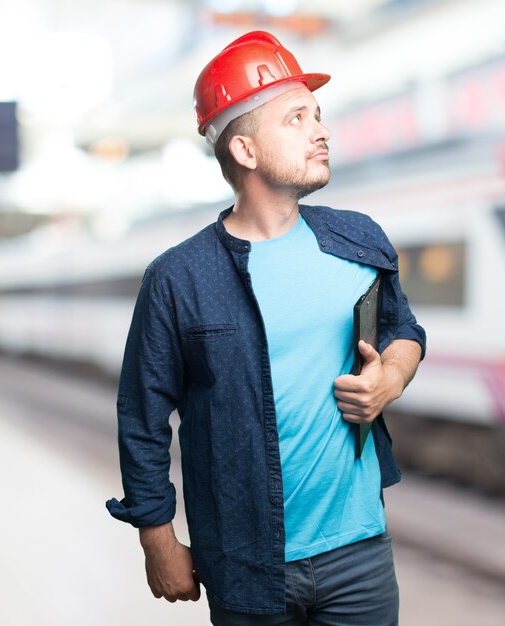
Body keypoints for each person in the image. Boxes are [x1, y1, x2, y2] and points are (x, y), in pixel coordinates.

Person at [107, 31, 426, 626]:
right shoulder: (179, 278)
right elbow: (142, 416)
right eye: (297, 118)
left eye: (319, 115)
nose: (321, 131)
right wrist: (157, 536)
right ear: (247, 152)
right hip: (245, 561)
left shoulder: (358, 241)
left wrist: (393, 377)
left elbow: (402, 330)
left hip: (359, 554)